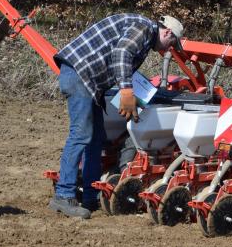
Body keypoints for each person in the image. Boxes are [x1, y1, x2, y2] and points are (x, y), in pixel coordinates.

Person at [48, 14, 184, 219]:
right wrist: (127, 91)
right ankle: (64, 194)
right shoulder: (144, 28)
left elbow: (123, 61)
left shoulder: (144, 35)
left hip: (89, 80)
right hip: (81, 75)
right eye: (171, 42)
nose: (169, 48)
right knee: (81, 134)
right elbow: (122, 53)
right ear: (166, 32)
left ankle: (90, 196)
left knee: (96, 138)